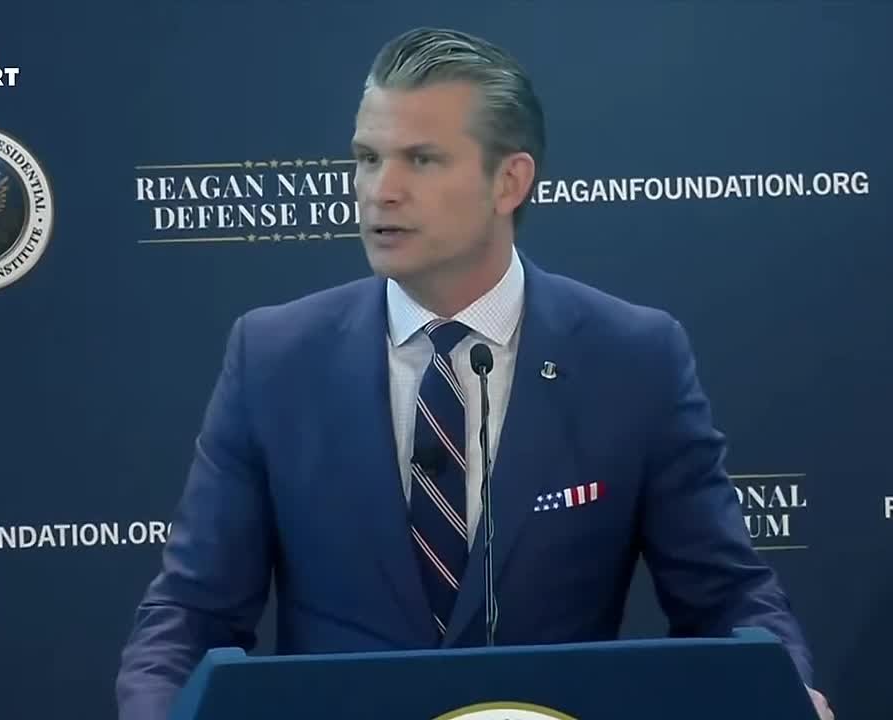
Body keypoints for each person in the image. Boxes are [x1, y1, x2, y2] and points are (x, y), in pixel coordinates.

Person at [116, 26, 834, 720]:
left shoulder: (633, 358)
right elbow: (191, 615)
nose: (380, 190)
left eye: (421, 160)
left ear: (509, 181)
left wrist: (788, 692)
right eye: (367, 158)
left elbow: (725, 597)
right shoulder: (275, 359)